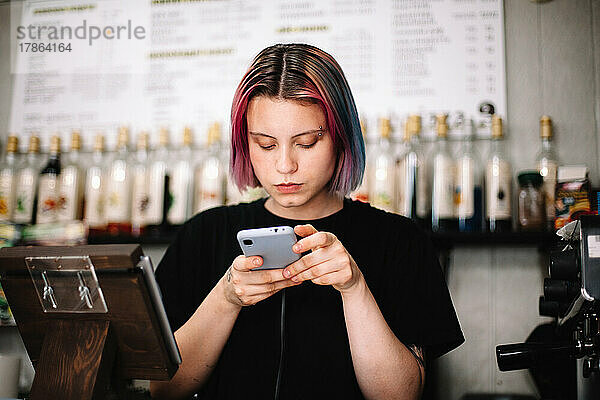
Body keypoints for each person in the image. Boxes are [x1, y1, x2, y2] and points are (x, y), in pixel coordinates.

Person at [150, 43, 464, 400]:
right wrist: (226, 298)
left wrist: (354, 288)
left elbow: (399, 396)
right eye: (266, 145)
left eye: (307, 142)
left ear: (341, 137)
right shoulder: (203, 235)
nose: (285, 165)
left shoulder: (400, 241)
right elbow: (163, 389)